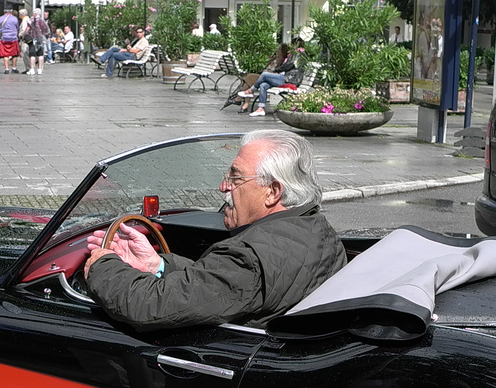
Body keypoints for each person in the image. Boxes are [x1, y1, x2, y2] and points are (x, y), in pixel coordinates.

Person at [82, 130, 345, 331]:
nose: (223, 187)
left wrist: (103, 265)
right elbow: (216, 283)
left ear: (272, 192)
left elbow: (150, 306)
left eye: (235, 177)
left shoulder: (249, 258)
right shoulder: (316, 227)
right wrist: (156, 265)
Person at [25, 8, 50, 75]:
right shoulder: (42, 21)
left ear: (35, 13)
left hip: (32, 39)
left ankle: (32, 69)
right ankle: (39, 69)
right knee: (40, 54)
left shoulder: (30, 20)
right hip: (40, 39)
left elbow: (27, 29)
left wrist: (24, 34)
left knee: (32, 54)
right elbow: (46, 30)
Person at [0, 6, 21, 73]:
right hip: (13, 38)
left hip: (4, 38)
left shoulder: (1, 18)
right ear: (11, 11)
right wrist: (18, 36)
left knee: (5, 54)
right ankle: (14, 68)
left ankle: (6, 69)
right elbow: (17, 28)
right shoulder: (15, 19)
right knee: (14, 54)